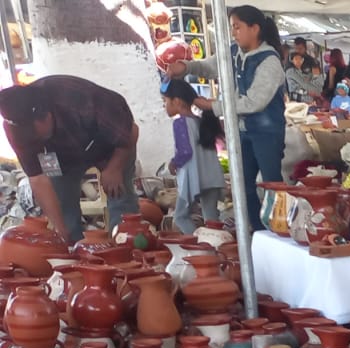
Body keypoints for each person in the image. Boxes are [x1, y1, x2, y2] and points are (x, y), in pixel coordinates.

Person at [169, 5, 286, 232]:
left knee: (272, 183)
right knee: (243, 186)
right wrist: (186, 67)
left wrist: (213, 106)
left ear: (254, 28)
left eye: (237, 27)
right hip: (241, 130)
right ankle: (257, 232)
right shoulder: (233, 52)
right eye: (232, 27)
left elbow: (253, 102)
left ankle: (279, 230)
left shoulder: (269, 61)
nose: (233, 33)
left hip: (267, 133)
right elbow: (209, 67)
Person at [0, 75, 140, 242]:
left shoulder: (83, 100)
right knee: (62, 206)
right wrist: (60, 230)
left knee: (120, 197)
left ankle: (124, 246)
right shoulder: (16, 128)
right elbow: (38, 179)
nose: (33, 139)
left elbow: (131, 132)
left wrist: (114, 168)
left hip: (109, 145)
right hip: (61, 156)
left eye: (35, 134)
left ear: (46, 116)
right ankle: (74, 249)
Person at [161, 78, 224, 234]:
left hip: (193, 178)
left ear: (177, 101)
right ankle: (215, 244)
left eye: (165, 101)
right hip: (212, 177)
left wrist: (173, 163)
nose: (164, 106)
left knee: (180, 217)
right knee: (212, 220)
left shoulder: (180, 123)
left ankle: (198, 243)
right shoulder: (202, 122)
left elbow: (185, 152)